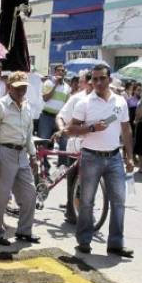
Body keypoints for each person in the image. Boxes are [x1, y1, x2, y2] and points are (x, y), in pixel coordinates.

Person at [68, 64, 134, 258]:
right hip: (90, 157)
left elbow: (126, 129)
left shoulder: (120, 101)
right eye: (94, 79)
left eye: (101, 78)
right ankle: (84, 241)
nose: (98, 82)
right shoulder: (85, 103)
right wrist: (91, 129)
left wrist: (129, 156)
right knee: (87, 201)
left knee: (119, 202)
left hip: (114, 157)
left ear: (109, 79)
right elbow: (71, 130)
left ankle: (115, 243)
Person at [0, 71, 38, 246]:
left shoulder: (27, 106)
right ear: (9, 87)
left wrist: (33, 155)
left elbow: (29, 133)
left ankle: (24, 231)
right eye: (18, 87)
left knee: (30, 194)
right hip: (4, 152)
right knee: (2, 194)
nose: (21, 90)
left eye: (24, 87)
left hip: (21, 153)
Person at [55, 71, 93, 224]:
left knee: (89, 181)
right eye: (86, 81)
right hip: (75, 145)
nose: (90, 84)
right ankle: (71, 212)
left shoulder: (102, 99)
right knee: (73, 180)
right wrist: (63, 130)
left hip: (93, 147)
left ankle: (85, 210)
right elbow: (60, 116)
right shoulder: (77, 98)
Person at [39, 64, 70, 141]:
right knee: (44, 142)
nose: (60, 72)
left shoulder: (67, 87)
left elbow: (67, 105)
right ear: (55, 72)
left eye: (62, 71)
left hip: (59, 118)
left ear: (64, 73)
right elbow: (45, 98)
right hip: (46, 117)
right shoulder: (48, 83)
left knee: (62, 143)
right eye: (58, 70)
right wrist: (55, 85)